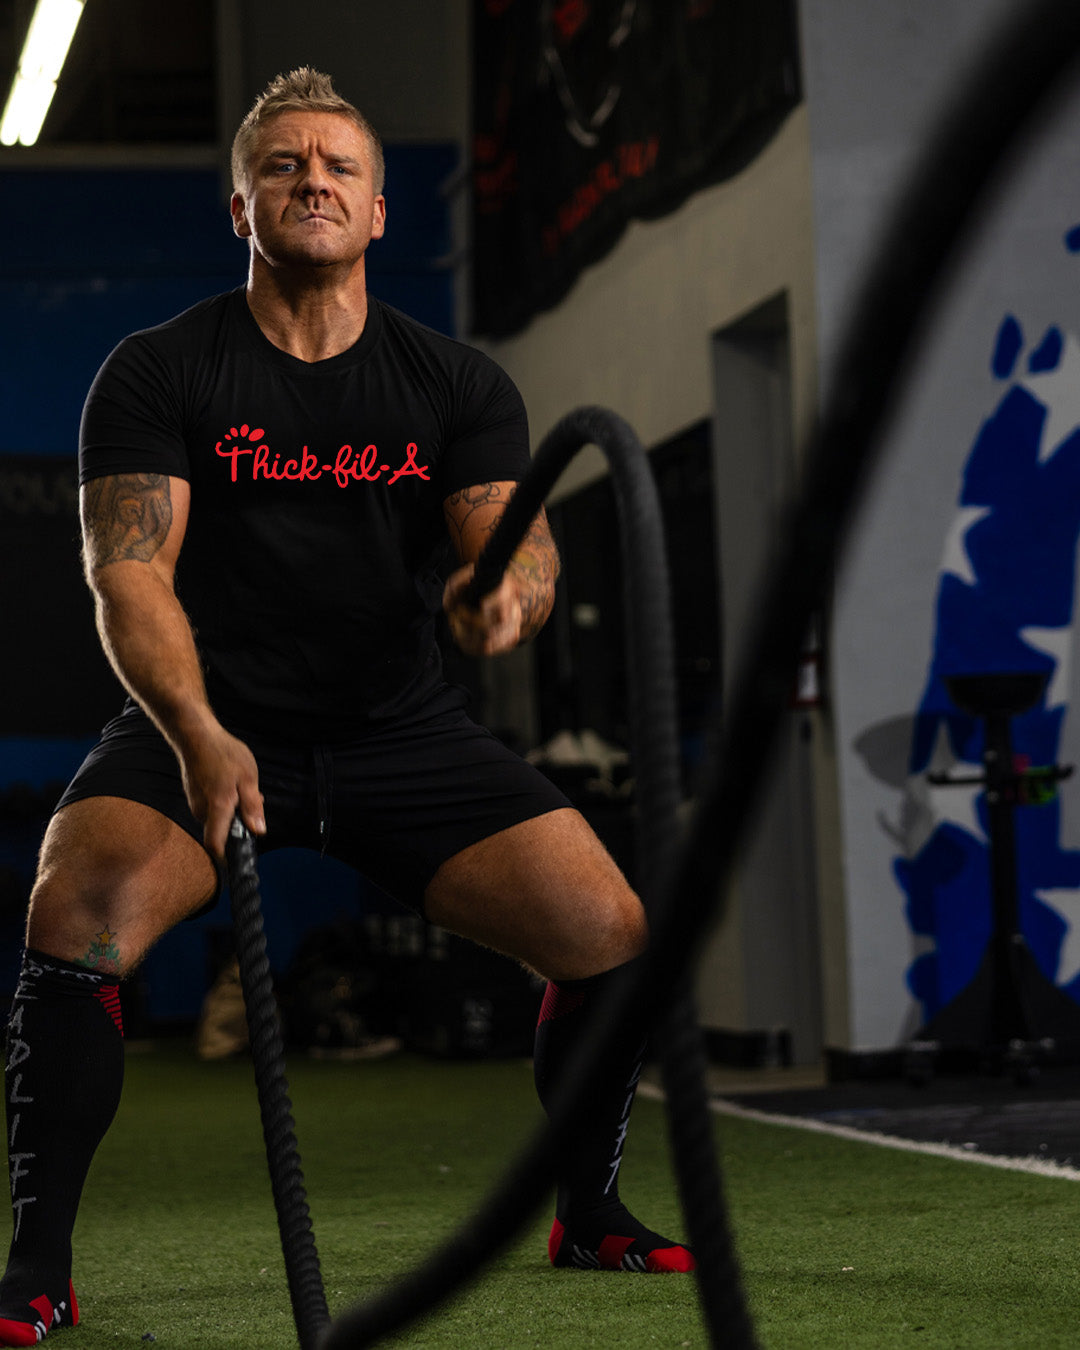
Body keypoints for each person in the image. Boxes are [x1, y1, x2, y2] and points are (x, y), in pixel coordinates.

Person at [0, 67, 693, 1345]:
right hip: (205, 722)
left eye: (338, 167)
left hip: (397, 731)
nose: (311, 180)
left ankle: (589, 1212)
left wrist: (506, 600)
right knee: (75, 912)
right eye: (282, 165)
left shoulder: (455, 385)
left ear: (379, 211)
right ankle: (37, 1266)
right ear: (241, 208)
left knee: (608, 930)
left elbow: (515, 547)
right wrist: (198, 733)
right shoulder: (159, 371)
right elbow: (128, 577)